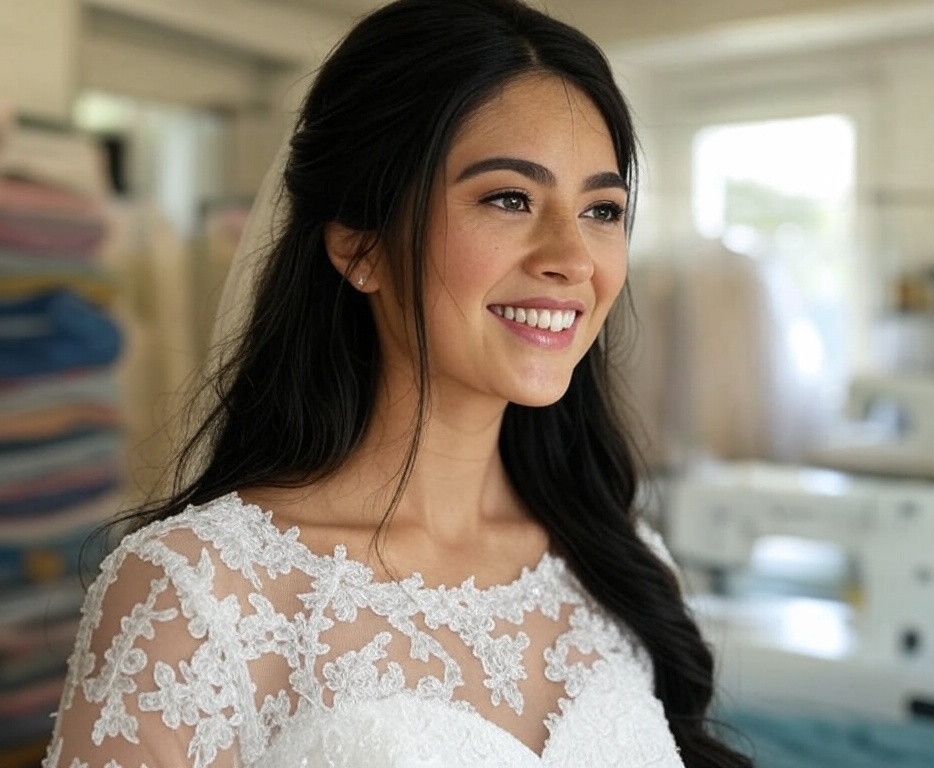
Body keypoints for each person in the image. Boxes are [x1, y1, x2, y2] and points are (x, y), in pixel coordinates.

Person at [45, 0, 753, 765]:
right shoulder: (200, 597)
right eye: (509, 198)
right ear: (359, 246)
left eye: (602, 209)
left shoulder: (621, 562)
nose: (574, 258)